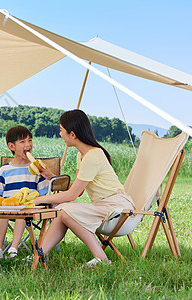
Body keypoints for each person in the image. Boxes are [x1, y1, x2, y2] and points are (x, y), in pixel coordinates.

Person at [33, 109, 135, 266]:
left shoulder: (93, 156)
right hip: (104, 206)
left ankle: (102, 259)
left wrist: (40, 200)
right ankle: (39, 256)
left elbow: (72, 195)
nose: (60, 134)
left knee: (65, 209)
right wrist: (51, 177)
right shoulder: (82, 155)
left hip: (118, 210)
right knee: (63, 212)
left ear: (72, 134)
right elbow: (79, 189)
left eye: (61, 130)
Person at [0, 126, 54, 258]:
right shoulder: (4, 170)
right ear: (12, 146)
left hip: (29, 208)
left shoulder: (36, 168)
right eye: (22, 142)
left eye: (30, 140)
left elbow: (44, 194)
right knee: (3, 209)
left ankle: (13, 248)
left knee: (22, 210)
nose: (28, 144)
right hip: (8, 207)